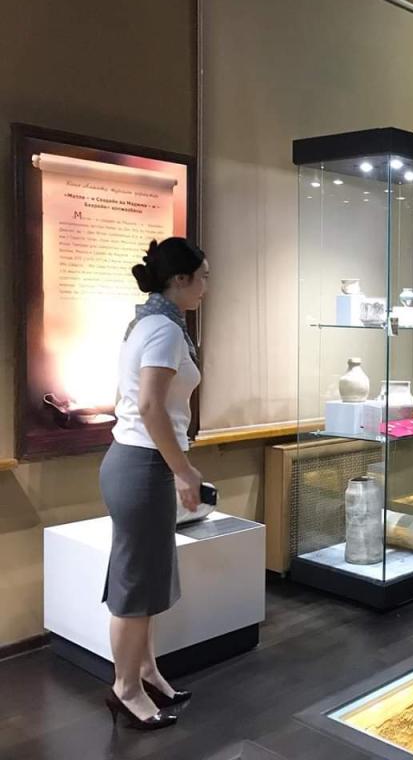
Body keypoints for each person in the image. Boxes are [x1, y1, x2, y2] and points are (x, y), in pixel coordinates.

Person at [100, 237, 209, 728]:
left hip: (137, 463)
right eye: (202, 277)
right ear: (179, 280)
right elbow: (149, 406)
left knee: (144, 579)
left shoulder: (151, 323)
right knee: (135, 586)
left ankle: (145, 672)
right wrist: (183, 470)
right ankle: (125, 689)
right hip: (143, 465)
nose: (206, 286)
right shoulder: (163, 330)